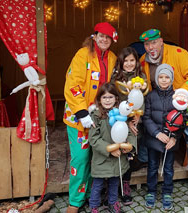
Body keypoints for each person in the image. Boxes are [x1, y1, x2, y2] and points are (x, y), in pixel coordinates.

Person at [139, 29, 188, 196]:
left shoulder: (179, 53)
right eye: (147, 44)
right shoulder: (142, 61)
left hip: (182, 106)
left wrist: (181, 94)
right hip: (158, 105)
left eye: (153, 42)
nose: (150, 47)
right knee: (150, 135)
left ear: (161, 41)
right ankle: (150, 170)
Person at [63, 22, 118, 212]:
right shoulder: (82, 54)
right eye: (100, 36)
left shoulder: (112, 58)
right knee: (80, 158)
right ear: (94, 36)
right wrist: (81, 111)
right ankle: (75, 201)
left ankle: (89, 195)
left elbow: (114, 86)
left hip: (100, 117)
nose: (104, 39)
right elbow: (72, 84)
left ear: (111, 40)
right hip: (79, 118)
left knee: (96, 157)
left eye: (107, 37)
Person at [88, 83, 136, 213]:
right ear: (99, 100)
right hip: (102, 158)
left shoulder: (122, 114)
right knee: (97, 184)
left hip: (118, 157)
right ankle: (93, 205)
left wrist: (130, 146)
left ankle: (112, 203)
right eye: (104, 97)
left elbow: (130, 133)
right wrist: (109, 149)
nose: (107, 100)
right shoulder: (96, 116)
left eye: (110, 97)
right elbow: (94, 138)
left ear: (116, 99)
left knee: (115, 182)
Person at [143, 64, 183, 210]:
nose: (164, 80)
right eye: (161, 77)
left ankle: (167, 192)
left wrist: (174, 138)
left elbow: (181, 120)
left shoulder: (177, 97)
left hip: (170, 141)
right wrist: (157, 133)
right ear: (156, 78)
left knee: (168, 168)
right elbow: (146, 118)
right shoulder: (150, 96)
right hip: (154, 138)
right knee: (152, 167)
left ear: (171, 79)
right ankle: (151, 191)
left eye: (167, 77)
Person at [110, 47, 147, 205]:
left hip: (134, 120)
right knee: (116, 151)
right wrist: (125, 122)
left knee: (129, 151)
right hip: (119, 120)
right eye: (126, 61)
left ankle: (125, 184)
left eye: (132, 60)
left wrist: (137, 117)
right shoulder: (116, 78)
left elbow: (141, 99)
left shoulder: (141, 77)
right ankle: (112, 186)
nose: (129, 64)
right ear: (121, 62)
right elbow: (113, 101)